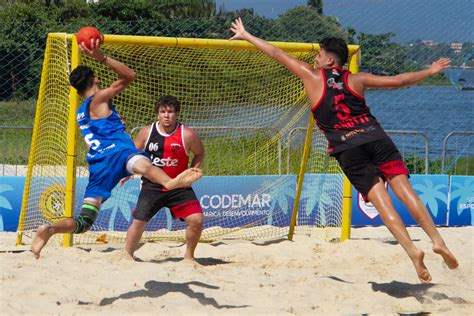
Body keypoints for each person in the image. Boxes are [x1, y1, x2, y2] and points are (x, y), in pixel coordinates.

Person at [230, 17, 458, 282]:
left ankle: (412, 251)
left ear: (330, 60)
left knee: (383, 205)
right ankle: (437, 241)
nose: (316, 58)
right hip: (375, 138)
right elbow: (398, 81)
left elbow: (276, 53)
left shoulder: (311, 76)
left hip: (347, 147)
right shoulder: (357, 79)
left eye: (319, 54)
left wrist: (247, 35)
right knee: (407, 193)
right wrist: (429, 72)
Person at [31, 39, 202, 258]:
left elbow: (92, 137)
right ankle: (170, 182)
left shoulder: (81, 113)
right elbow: (130, 76)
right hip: (118, 154)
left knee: (84, 221)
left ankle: (50, 229)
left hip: (98, 165)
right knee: (145, 165)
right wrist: (100, 57)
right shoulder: (99, 98)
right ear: (95, 79)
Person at [124, 96, 204, 261]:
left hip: (179, 186)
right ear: (157, 115)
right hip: (152, 186)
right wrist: (127, 172)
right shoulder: (147, 132)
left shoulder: (187, 134)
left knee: (196, 220)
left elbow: (200, 152)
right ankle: (127, 256)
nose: (167, 115)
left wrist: (194, 169)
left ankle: (189, 258)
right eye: (163, 112)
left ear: (176, 114)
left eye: (170, 111)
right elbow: (131, 154)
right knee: (138, 223)